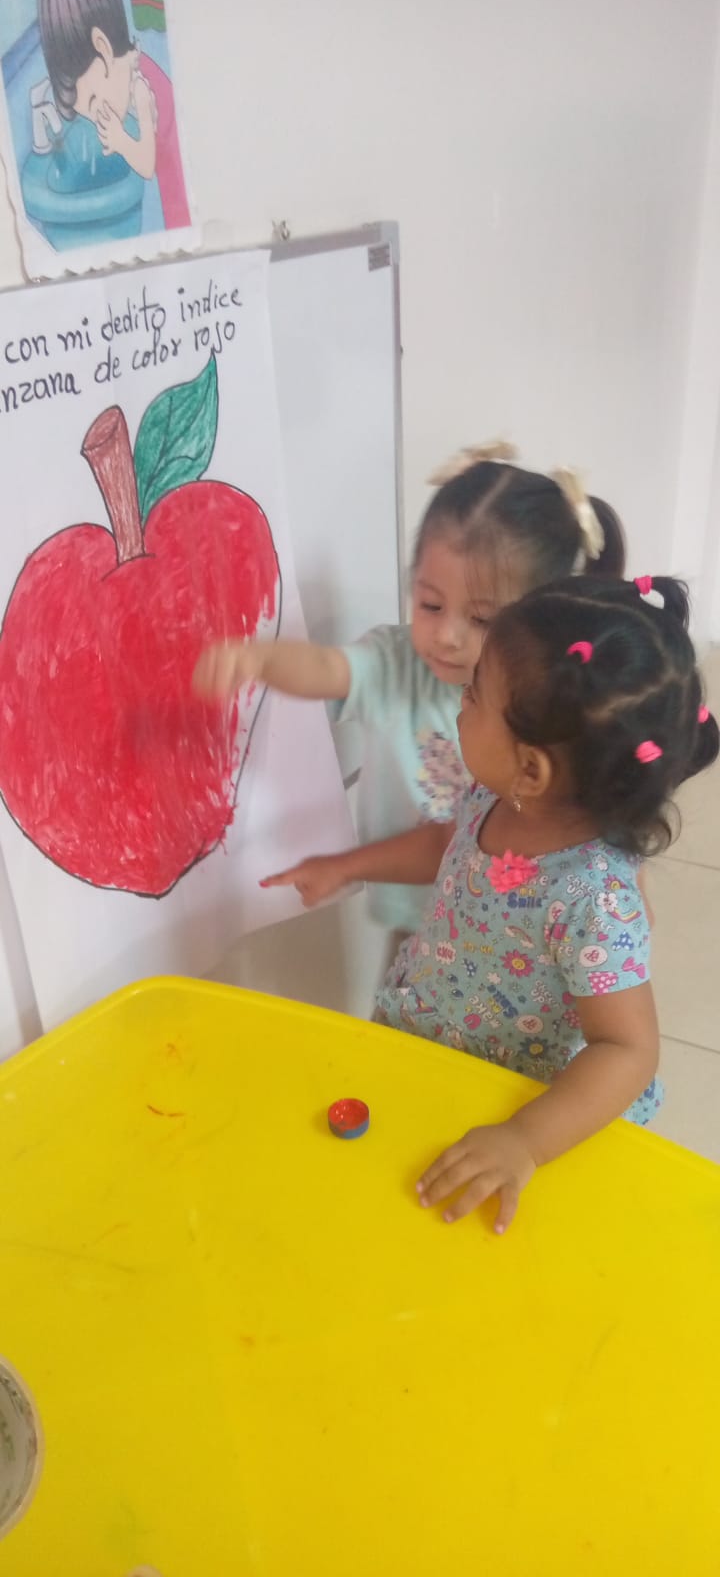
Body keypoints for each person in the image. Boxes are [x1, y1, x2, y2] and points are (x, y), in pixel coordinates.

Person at [367, 574, 718, 1231]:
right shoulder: (494, 794)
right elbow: (448, 849)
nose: (460, 702)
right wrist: (344, 867)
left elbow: (628, 1050)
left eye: (475, 693)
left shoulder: (592, 899)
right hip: (432, 1042)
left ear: (531, 768)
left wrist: (525, 1140)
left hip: (520, 1102)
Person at [194, 445, 626, 964]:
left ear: (542, 620)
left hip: (512, 929)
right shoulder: (397, 663)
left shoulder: (551, 703)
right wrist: (260, 658)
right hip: (415, 913)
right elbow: (327, 668)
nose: (446, 635)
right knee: (402, 1000)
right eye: (430, 604)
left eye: (482, 619)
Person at [38, 0, 191, 230]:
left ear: (104, 50)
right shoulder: (127, 82)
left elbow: (146, 165)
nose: (96, 119)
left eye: (94, 101)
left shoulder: (142, 89)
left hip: (178, 208)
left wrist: (120, 140)